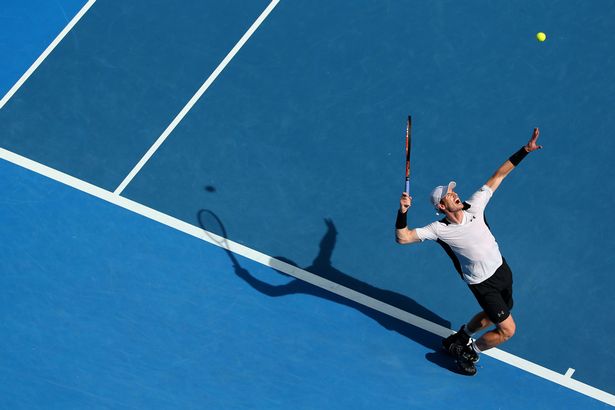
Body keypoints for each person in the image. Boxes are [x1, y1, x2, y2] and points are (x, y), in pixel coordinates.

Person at [394, 128, 542, 374]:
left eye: (453, 191)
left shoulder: (475, 206)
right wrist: (403, 211)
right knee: (507, 330)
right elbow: (403, 238)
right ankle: (469, 351)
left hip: (502, 271)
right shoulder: (438, 229)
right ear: (442, 206)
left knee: (490, 316)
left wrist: (525, 150)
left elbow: (498, 176)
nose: (454, 193)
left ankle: (461, 337)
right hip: (483, 283)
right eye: (449, 195)